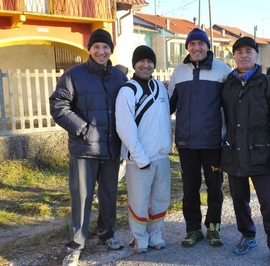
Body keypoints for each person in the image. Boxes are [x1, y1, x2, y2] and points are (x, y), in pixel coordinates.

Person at [49, 28, 128, 266]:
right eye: (97, 47)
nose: (101, 51)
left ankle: (107, 234)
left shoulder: (119, 77)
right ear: (89, 50)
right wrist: (82, 129)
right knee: (81, 197)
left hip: (112, 149)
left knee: (109, 195)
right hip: (84, 148)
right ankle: (76, 246)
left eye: (106, 48)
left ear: (110, 50)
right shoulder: (74, 75)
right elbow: (58, 104)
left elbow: (128, 106)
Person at [221, 36, 270, 266]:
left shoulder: (269, 85)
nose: (244, 55)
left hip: (262, 155)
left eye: (249, 51)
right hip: (234, 155)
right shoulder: (227, 85)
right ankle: (248, 236)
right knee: (239, 201)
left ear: (256, 56)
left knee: (269, 203)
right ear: (234, 56)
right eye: (239, 51)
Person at [168, 28, 231, 248]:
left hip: (214, 141)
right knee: (189, 188)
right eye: (192, 44)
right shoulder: (179, 71)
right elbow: (168, 105)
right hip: (186, 142)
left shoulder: (223, 70)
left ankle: (214, 228)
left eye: (201, 44)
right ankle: (193, 229)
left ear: (207, 46)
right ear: (187, 47)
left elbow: (233, 106)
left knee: (215, 187)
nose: (197, 48)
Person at [115, 45, 172, 254]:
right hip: (139, 159)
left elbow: (164, 118)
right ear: (134, 64)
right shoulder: (127, 90)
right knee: (138, 202)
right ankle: (140, 238)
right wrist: (140, 156)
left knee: (161, 199)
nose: (146, 65)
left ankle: (156, 234)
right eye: (141, 61)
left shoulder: (160, 87)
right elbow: (124, 127)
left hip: (162, 156)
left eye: (149, 62)